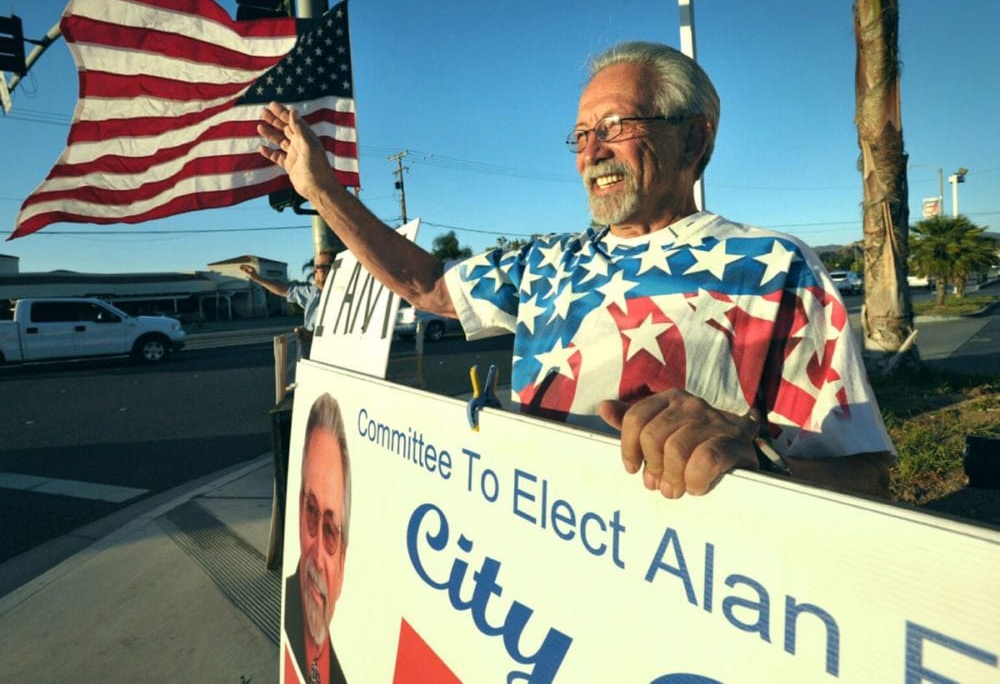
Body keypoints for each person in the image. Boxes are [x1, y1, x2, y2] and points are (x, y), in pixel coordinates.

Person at [256, 41, 895, 500]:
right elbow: (425, 285)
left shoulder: (776, 269)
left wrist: (751, 463)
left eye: (616, 127)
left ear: (693, 141)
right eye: (581, 134)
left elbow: (866, 478)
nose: (591, 151)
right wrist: (321, 190)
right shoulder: (545, 262)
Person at [284, 393, 350, 684]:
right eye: (312, 512)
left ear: (344, 559)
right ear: (298, 512)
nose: (318, 558)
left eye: (330, 532)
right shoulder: (287, 622)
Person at [241, 250, 335, 349]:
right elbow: (285, 290)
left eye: (318, 267)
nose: (313, 271)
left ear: (332, 269)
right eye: (314, 267)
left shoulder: (343, 296)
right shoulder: (312, 293)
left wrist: (312, 336)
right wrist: (256, 278)